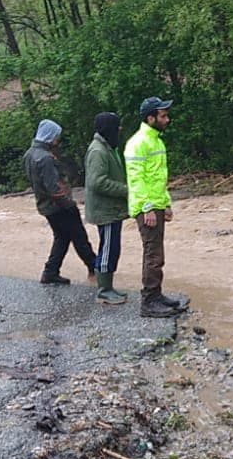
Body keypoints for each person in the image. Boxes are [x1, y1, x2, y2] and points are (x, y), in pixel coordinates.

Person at [125, 97, 186, 319]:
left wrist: (166, 203)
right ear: (150, 118)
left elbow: (158, 178)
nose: (167, 119)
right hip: (146, 207)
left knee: (157, 254)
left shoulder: (156, 140)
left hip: (156, 204)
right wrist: (148, 208)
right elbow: (136, 179)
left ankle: (156, 295)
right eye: (163, 116)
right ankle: (149, 301)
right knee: (153, 255)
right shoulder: (138, 142)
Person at [24, 119, 97, 286]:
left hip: (45, 206)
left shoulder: (30, 154)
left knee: (62, 238)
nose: (58, 139)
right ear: (50, 136)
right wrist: (68, 203)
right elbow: (53, 187)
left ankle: (50, 272)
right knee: (79, 236)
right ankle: (95, 268)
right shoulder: (45, 158)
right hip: (59, 206)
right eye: (57, 136)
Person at [83, 112, 130, 305]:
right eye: (117, 126)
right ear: (109, 128)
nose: (120, 130)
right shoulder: (98, 151)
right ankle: (104, 290)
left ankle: (108, 287)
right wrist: (127, 190)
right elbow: (97, 183)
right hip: (105, 211)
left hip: (110, 209)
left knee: (112, 248)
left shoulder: (106, 147)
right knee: (108, 249)